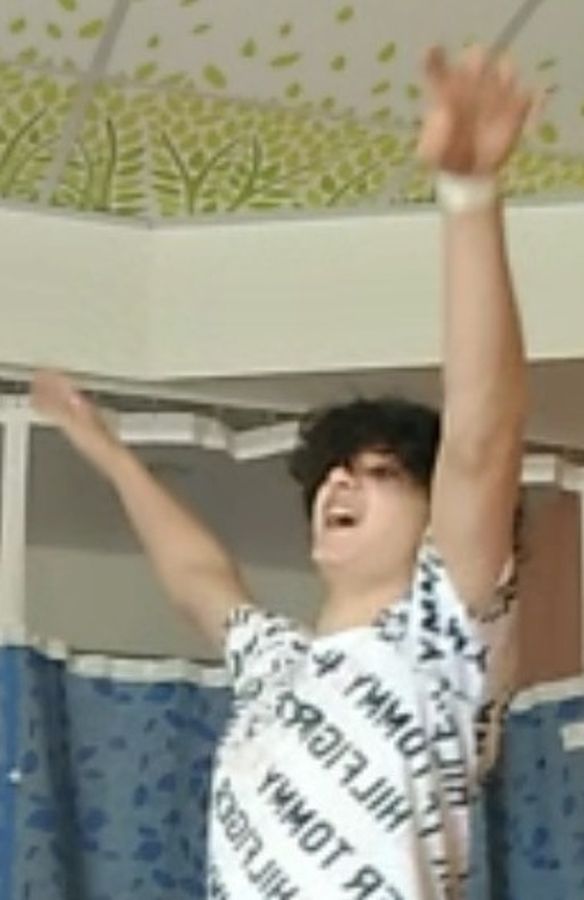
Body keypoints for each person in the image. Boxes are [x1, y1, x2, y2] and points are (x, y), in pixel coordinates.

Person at [32, 43, 534, 900]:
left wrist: (468, 196)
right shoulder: (275, 664)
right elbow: (200, 578)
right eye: (333, 473)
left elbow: (484, 435)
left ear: (435, 517)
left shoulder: (439, 635)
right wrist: (108, 452)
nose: (337, 484)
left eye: (379, 473)